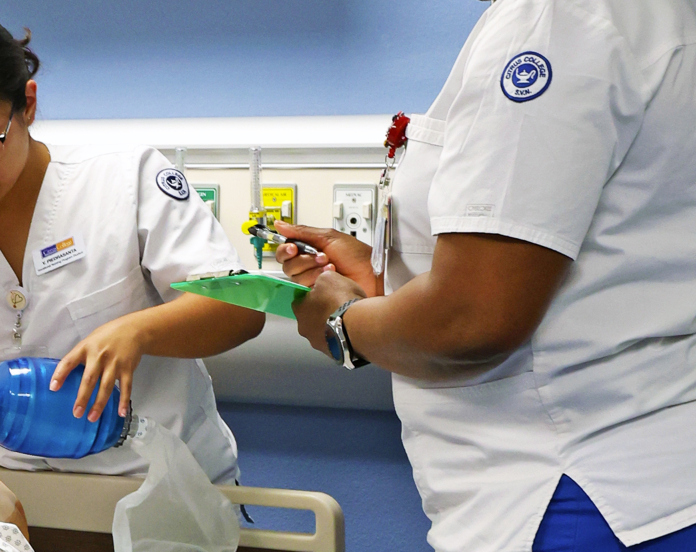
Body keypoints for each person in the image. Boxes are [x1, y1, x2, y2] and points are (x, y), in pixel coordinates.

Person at [271, 1, 696, 550]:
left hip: (566, 488)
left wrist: (341, 323)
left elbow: (471, 319)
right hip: (654, 480)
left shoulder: (555, 16)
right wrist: (397, 288)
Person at [0, 13, 266, 498]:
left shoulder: (124, 180)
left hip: (168, 496)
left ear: (26, 104)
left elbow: (240, 309)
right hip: (18, 505)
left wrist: (138, 330)